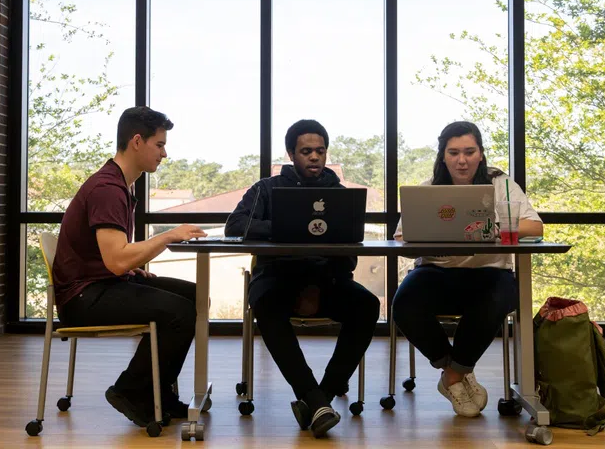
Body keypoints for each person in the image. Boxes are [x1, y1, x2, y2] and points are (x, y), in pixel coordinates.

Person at [52, 106, 207, 427]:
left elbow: (112, 259)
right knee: (178, 312)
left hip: (98, 283)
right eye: (160, 145)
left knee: (194, 296)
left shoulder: (120, 184)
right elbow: (117, 258)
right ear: (137, 141)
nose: (165, 153)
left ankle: (160, 394)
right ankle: (130, 391)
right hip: (82, 299)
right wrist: (169, 236)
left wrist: (127, 268)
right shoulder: (108, 188)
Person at [225, 119, 380, 438]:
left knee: (366, 305)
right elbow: (235, 226)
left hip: (328, 278)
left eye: (320, 151)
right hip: (276, 277)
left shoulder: (340, 194)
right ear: (291, 154)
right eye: (306, 151)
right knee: (266, 304)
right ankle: (316, 399)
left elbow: (350, 245)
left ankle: (318, 398)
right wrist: (285, 227)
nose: (314, 157)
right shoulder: (266, 189)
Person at [392, 121, 543, 417]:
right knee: (404, 303)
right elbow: (401, 237)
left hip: (490, 273)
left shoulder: (502, 184)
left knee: (495, 301)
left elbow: (535, 225)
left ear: (481, 154)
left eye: (469, 152)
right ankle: (454, 369)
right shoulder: (428, 190)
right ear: (443, 156)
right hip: (436, 272)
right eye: (454, 153)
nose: (462, 160)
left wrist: (494, 228)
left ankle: (452, 377)